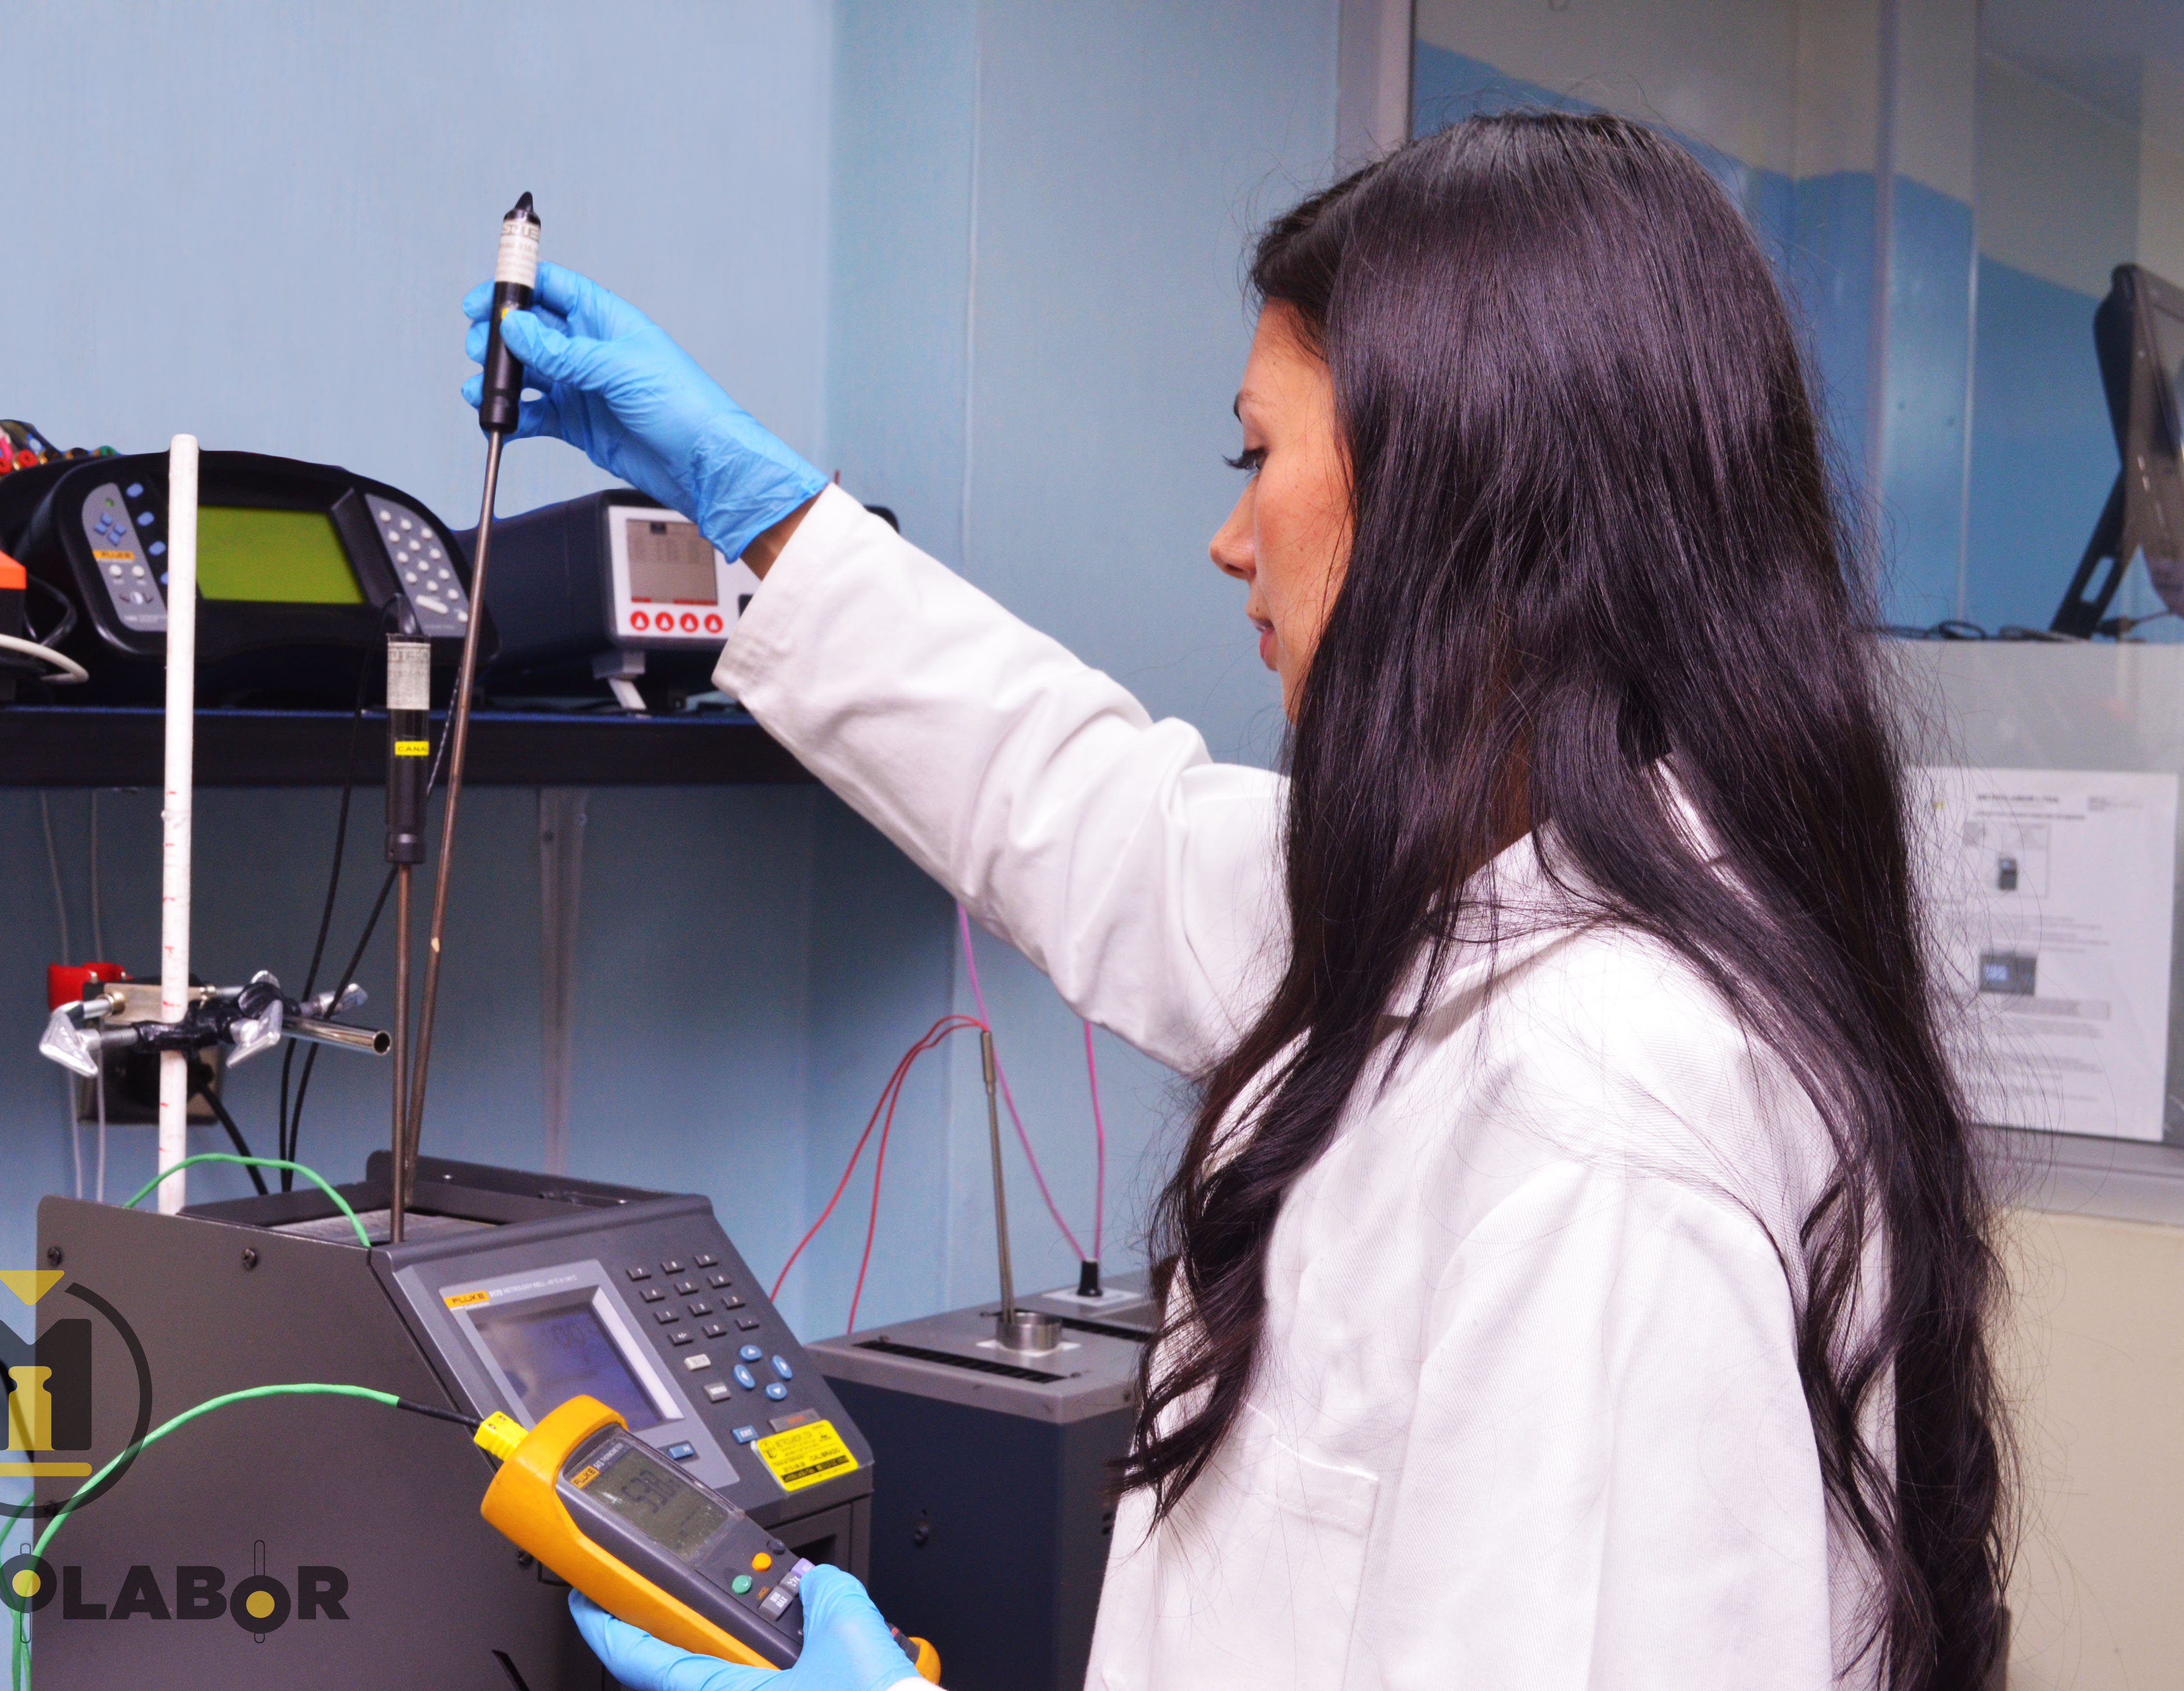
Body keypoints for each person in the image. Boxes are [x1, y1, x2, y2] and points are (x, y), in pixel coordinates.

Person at [462, 113, 2007, 1691]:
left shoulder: (1600, 1126)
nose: (1227, 538)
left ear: (1460, 494)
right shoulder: (1484, 921)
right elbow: (1097, 817)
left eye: (1257, 456)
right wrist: (762, 509)